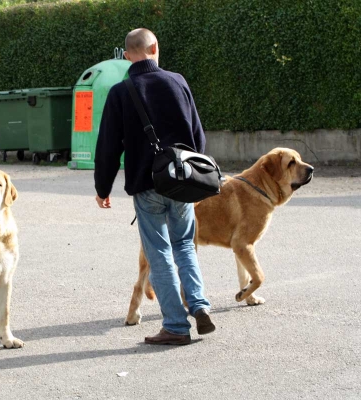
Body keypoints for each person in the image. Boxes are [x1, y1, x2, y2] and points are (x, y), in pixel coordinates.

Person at [94, 28, 215, 345]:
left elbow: (108, 147)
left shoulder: (121, 92)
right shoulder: (178, 81)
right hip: (182, 183)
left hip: (147, 186)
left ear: (127, 54)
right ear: (154, 48)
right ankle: (199, 304)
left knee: (159, 253)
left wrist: (102, 187)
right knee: (185, 246)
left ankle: (175, 326)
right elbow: (198, 137)